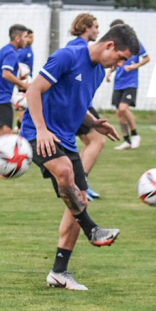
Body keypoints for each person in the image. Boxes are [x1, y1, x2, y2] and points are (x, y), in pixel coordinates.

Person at [20, 22, 139, 291]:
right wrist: (41, 130)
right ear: (110, 45)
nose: (120, 65)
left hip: (66, 139)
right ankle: (92, 229)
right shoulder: (68, 56)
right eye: (121, 57)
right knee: (65, 171)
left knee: (79, 200)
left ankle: (59, 272)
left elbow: (78, 102)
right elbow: (34, 89)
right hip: (38, 133)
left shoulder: (98, 72)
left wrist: (94, 122)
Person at [0, 24, 31, 177]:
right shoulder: (11, 53)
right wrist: (23, 85)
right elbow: (6, 74)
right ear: (17, 38)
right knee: (6, 133)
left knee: (3, 133)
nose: (27, 40)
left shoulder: (4, 49)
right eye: (25, 37)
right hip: (0, 99)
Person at [68, 14, 106, 200]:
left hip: (81, 104)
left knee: (91, 141)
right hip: (77, 105)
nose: (98, 31)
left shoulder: (76, 46)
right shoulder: (81, 49)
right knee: (98, 141)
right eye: (95, 27)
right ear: (85, 27)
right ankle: (80, 184)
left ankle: (79, 181)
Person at [106, 18, 150, 150]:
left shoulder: (134, 43)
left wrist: (134, 66)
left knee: (123, 109)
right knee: (119, 113)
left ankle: (135, 135)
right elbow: (116, 62)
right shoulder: (115, 46)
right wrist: (109, 73)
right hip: (118, 83)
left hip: (130, 83)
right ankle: (127, 140)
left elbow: (147, 58)